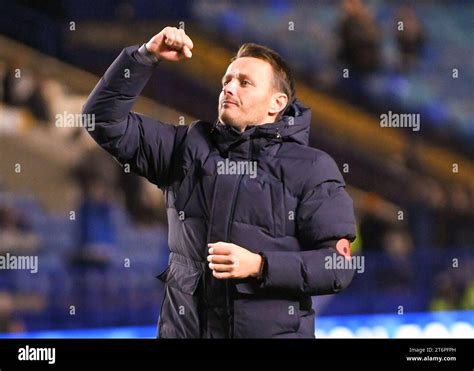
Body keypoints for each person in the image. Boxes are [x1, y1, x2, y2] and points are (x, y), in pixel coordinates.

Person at [82, 26, 356, 338]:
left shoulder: (313, 168)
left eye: (244, 82)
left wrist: (260, 265)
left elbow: (336, 266)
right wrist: (145, 56)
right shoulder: (184, 148)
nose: (228, 88)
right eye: (226, 80)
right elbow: (101, 120)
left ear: (276, 103)